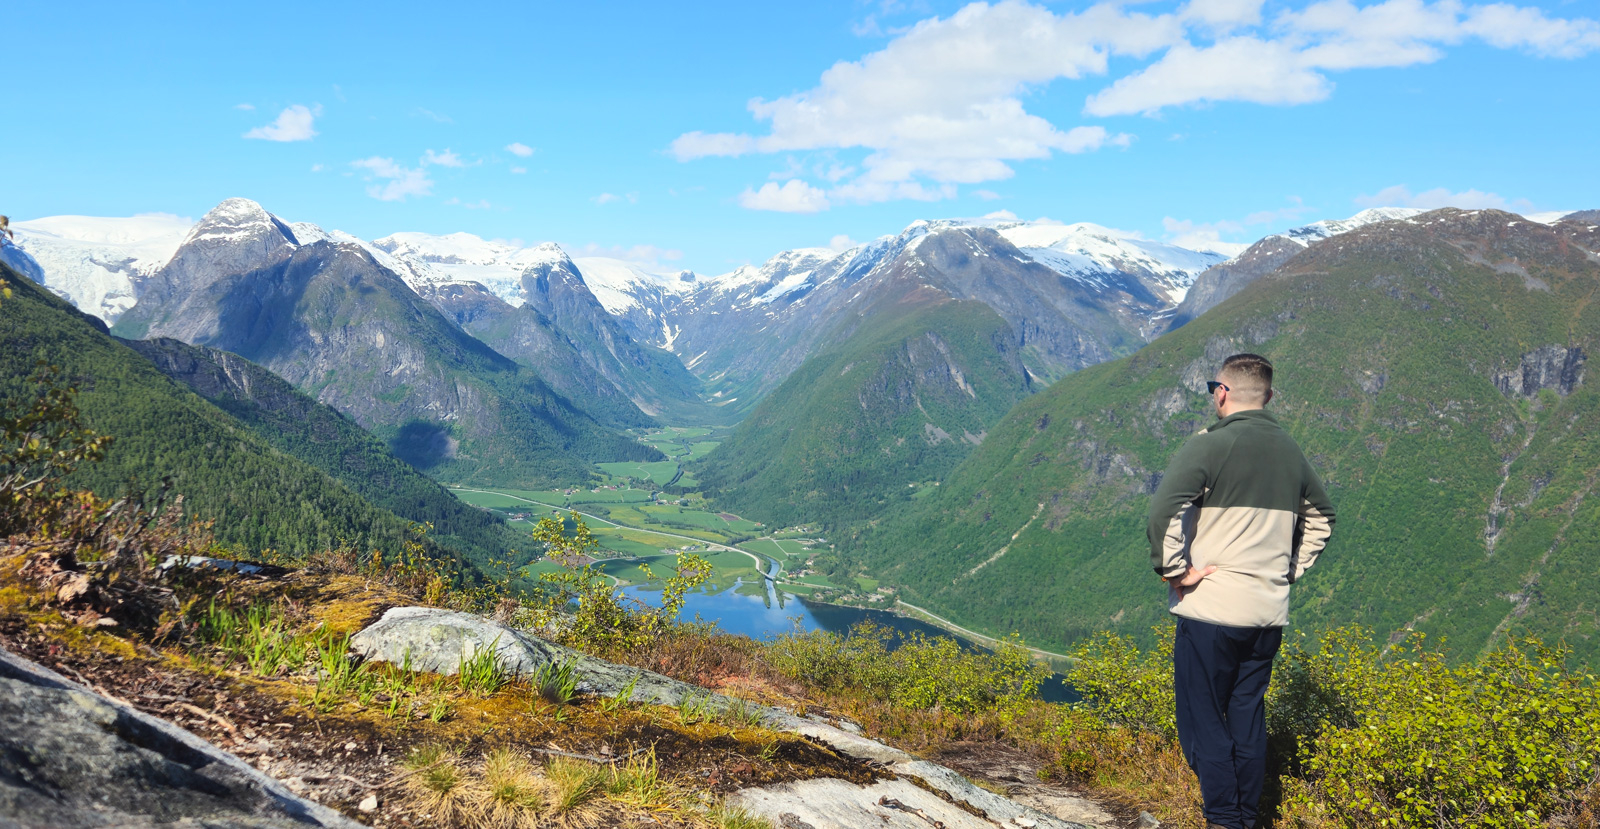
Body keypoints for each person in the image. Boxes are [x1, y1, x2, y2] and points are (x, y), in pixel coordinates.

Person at [1146, 353, 1335, 829]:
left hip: (1211, 612)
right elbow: (1323, 517)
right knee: (1247, 719)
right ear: (1268, 397)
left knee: (1202, 722)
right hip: (1266, 614)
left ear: (1222, 392)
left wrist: (1174, 572)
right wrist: (1288, 571)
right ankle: (1246, 819)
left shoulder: (1210, 444)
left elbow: (1164, 511)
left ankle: (1225, 820)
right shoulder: (1290, 450)